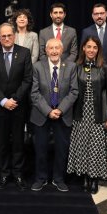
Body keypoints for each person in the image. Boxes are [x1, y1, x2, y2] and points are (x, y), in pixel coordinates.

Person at [0, 23, 32, 191]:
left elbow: (27, 79)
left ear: (14, 35)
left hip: (19, 107)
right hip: (0, 107)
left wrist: (15, 99)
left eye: (9, 35)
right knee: (2, 142)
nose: (6, 38)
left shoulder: (24, 53)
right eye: (3, 36)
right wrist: (3, 100)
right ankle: (4, 173)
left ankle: (18, 173)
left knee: (18, 142)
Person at [67, 36, 107, 194]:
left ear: (98, 49)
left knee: (95, 147)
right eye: (89, 47)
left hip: (97, 113)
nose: (91, 50)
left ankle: (94, 179)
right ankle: (85, 177)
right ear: (83, 49)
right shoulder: (76, 66)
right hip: (80, 113)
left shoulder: (104, 67)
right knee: (82, 145)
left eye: (95, 47)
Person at [30, 38, 78, 192]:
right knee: (40, 149)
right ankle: (41, 178)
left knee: (62, 149)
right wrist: (48, 111)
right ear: (46, 51)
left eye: (57, 48)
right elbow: (34, 93)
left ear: (62, 50)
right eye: (51, 48)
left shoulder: (71, 67)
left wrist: (60, 109)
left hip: (62, 114)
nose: (54, 51)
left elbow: (74, 91)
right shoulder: (37, 66)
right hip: (42, 114)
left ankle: (58, 179)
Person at [80, 3, 107, 71]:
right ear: (92, 16)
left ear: (106, 14)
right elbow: (83, 52)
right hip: (91, 70)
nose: (99, 16)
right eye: (96, 14)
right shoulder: (86, 31)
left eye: (101, 13)